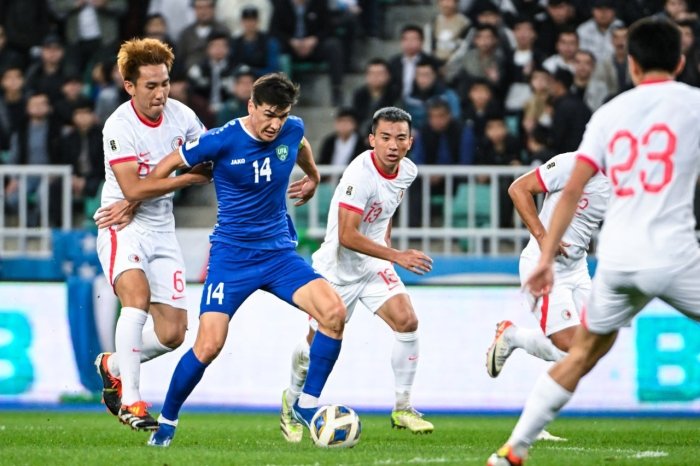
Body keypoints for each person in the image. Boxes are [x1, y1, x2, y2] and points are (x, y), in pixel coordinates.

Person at [488, 18, 700, 465]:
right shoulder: (693, 106)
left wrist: (549, 254)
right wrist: (545, 249)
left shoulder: (608, 116)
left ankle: (514, 449)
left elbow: (571, 195)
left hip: (615, 261)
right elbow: (540, 189)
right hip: (676, 254)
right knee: (574, 347)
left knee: (582, 352)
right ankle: (518, 349)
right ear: (681, 62)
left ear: (632, 65)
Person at [146, 73, 347, 447]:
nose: (275, 124)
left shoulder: (291, 128)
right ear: (251, 106)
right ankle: (167, 421)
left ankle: (305, 404)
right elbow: (163, 168)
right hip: (232, 258)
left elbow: (300, 142)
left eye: (282, 115)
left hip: (279, 254)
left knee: (334, 314)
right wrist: (155, 193)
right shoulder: (220, 140)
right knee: (209, 345)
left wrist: (314, 176)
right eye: (269, 114)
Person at [280, 107, 434, 443]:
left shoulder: (407, 170)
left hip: (373, 263)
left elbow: (387, 210)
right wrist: (398, 256)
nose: (393, 145)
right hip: (336, 269)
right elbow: (348, 235)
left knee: (407, 321)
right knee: (313, 346)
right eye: (385, 137)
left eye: (400, 138)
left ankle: (403, 407)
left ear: (410, 141)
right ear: (371, 140)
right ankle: (291, 401)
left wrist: (387, 249)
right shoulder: (359, 175)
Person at [92, 37, 210, 431]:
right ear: (129, 86)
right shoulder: (118, 126)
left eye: (165, 83)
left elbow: (213, 157)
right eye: (151, 86)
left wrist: (191, 174)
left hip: (162, 230)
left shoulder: (183, 117)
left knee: (173, 334)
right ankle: (133, 402)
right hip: (121, 225)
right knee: (136, 299)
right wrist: (186, 177)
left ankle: (112, 364)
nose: (161, 93)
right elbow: (133, 190)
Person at [486, 151, 609, 383]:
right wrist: (544, 238)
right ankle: (514, 337)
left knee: (593, 349)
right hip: (543, 266)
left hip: (578, 268)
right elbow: (519, 189)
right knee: (570, 346)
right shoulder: (575, 163)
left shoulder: (625, 183)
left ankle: (512, 336)